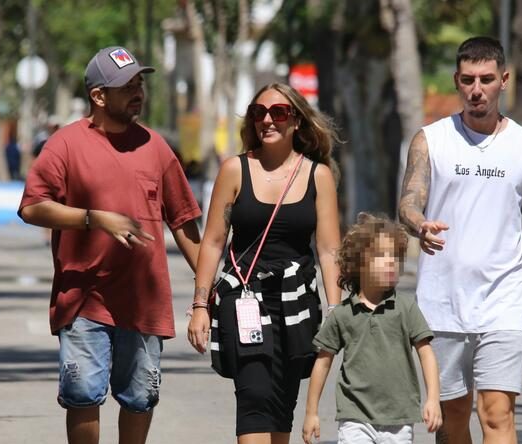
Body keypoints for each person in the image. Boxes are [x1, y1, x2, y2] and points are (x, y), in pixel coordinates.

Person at [18, 46, 202, 444]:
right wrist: (92, 218)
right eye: (126, 86)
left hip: (144, 301)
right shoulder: (65, 144)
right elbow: (31, 207)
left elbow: (185, 222)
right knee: (82, 394)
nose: (138, 92)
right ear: (98, 96)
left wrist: (208, 289)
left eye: (139, 84)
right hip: (84, 297)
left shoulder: (156, 147)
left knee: (140, 398)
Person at [398, 36, 522, 444]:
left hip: (505, 299)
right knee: (452, 417)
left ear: (504, 80)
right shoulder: (431, 140)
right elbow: (409, 202)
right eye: (468, 79)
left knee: (496, 414)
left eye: (486, 79)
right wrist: (420, 224)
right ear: (456, 80)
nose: (476, 89)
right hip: (443, 301)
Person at [187, 82, 342, 444]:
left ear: (297, 122)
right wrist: (199, 305)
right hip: (244, 299)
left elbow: (329, 249)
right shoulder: (234, 170)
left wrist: (335, 310)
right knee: (255, 395)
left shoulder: (317, 176)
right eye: (259, 113)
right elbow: (212, 242)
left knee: (281, 403)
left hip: (297, 302)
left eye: (279, 112)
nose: (267, 120)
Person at [302, 213, 442, 444]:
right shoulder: (343, 314)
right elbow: (323, 362)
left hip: (398, 418)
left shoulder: (405, 308)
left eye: (396, 257)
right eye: (381, 256)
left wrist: (433, 399)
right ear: (358, 262)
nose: (391, 262)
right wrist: (311, 413)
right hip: (354, 417)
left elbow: (426, 354)